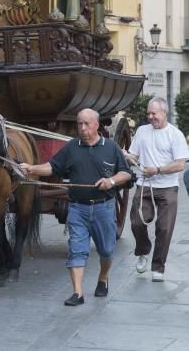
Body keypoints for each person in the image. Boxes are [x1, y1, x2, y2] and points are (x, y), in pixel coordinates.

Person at [20, 108, 131, 306]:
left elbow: (126, 174)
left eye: (86, 124)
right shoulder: (72, 147)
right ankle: (77, 293)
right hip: (77, 209)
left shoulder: (111, 147)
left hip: (103, 208)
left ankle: (103, 278)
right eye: (79, 123)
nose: (82, 127)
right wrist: (32, 168)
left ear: (97, 125)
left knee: (106, 251)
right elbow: (52, 167)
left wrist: (111, 182)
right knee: (77, 250)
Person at [125, 97, 189, 281]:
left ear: (164, 113)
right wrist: (127, 156)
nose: (150, 117)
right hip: (144, 185)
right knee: (136, 222)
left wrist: (157, 170)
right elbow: (134, 156)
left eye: (154, 113)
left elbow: (179, 165)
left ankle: (158, 267)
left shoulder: (175, 134)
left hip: (168, 187)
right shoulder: (142, 131)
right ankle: (143, 250)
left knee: (164, 228)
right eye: (148, 113)